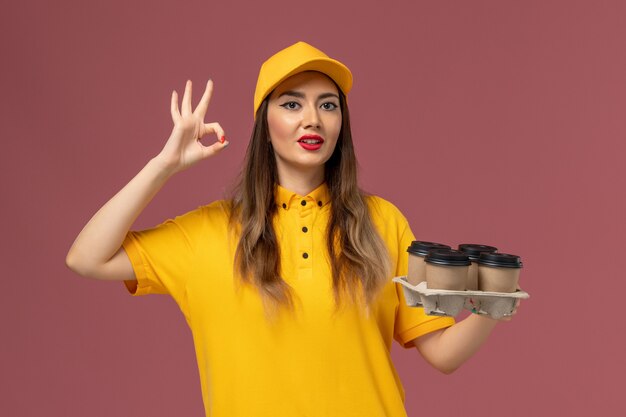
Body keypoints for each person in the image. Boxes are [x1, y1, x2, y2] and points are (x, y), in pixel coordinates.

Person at [66, 41, 515, 417]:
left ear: (342, 124)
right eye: (292, 103)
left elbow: (441, 353)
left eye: (328, 105)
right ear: (265, 124)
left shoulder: (383, 222)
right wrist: (162, 166)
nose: (312, 119)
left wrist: (489, 306)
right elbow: (86, 257)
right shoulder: (208, 231)